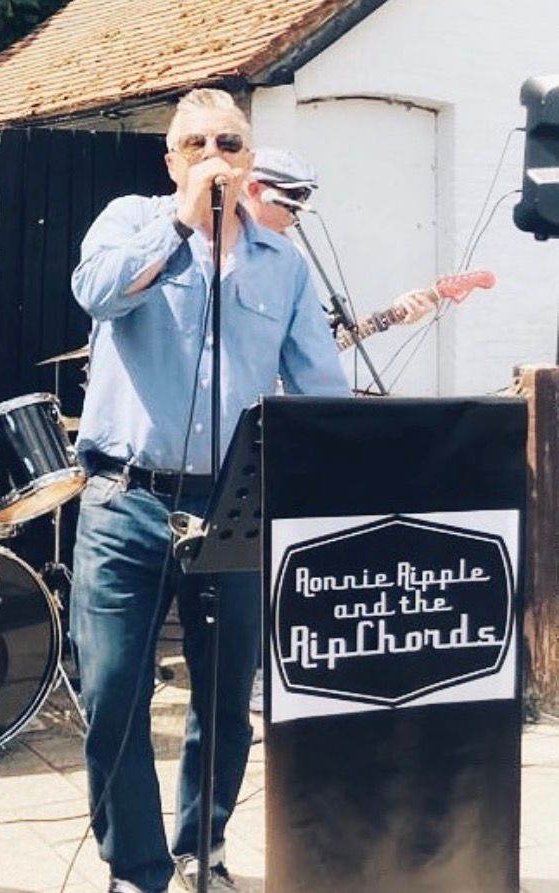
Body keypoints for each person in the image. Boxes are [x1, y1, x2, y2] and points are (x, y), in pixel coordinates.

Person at [69, 89, 350, 893]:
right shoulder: (131, 219)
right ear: (171, 161)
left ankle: (202, 848)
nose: (213, 155)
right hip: (127, 496)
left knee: (226, 697)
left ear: (251, 158)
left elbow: (317, 386)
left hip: (232, 501)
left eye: (229, 141)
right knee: (114, 690)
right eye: (194, 144)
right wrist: (181, 222)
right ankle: (137, 868)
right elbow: (97, 293)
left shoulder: (281, 262)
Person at [244, 147, 436, 326]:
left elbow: (318, 333)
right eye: (294, 194)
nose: (300, 203)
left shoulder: (292, 253)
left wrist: (395, 315)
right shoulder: (226, 247)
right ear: (255, 190)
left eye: (305, 195)